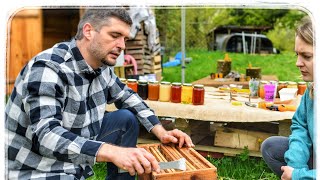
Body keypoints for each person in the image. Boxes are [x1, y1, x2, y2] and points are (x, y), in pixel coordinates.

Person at [5, 8, 194, 180]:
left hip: (73, 141)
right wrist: (112, 152)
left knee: (125, 119)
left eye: (125, 39)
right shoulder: (49, 68)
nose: (122, 46)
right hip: (34, 166)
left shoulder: (101, 66)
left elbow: (127, 97)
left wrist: (162, 132)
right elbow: (46, 136)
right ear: (88, 31)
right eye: (115, 35)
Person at [261, 16, 315, 179]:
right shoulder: (312, 89)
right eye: (297, 55)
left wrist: (299, 176)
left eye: (306, 56)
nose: (298, 63)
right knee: (271, 147)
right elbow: (301, 125)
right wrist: (295, 166)